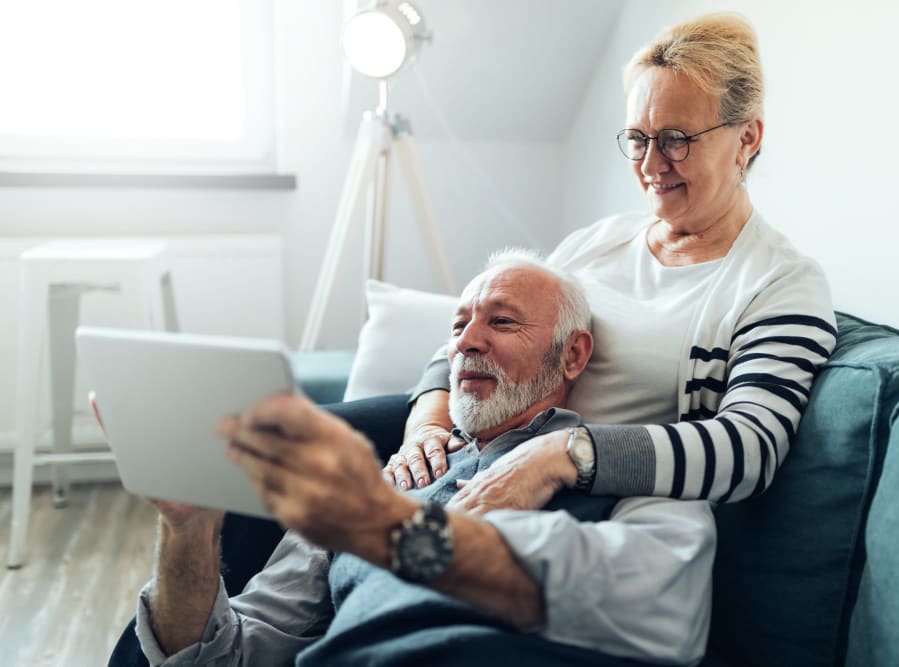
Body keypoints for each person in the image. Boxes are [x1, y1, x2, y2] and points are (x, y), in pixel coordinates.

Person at [130, 253, 716, 666]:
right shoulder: (379, 482)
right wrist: (188, 528)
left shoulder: (626, 468)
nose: (465, 342)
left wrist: (390, 529)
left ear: (572, 356)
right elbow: (228, 655)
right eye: (459, 325)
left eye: (501, 321)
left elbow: (666, 610)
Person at [386, 12, 837, 515]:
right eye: (638, 139)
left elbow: (749, 449)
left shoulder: (779, 282)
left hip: (578, 502)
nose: (649, 165)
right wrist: (427, 426)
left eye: (675, 139)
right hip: (481, 451)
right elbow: (468, 335)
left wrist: (564, 454)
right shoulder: (596, 244)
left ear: (747, 138)